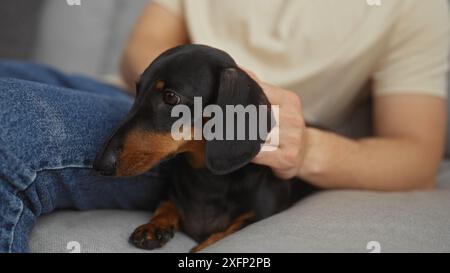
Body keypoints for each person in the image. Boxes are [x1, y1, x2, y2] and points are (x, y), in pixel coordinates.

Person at [0, 0, 448, 253]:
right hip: (135, 101)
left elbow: (417, 156)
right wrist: (172, 91)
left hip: (216, 148)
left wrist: (303, 148)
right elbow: (144, 49)